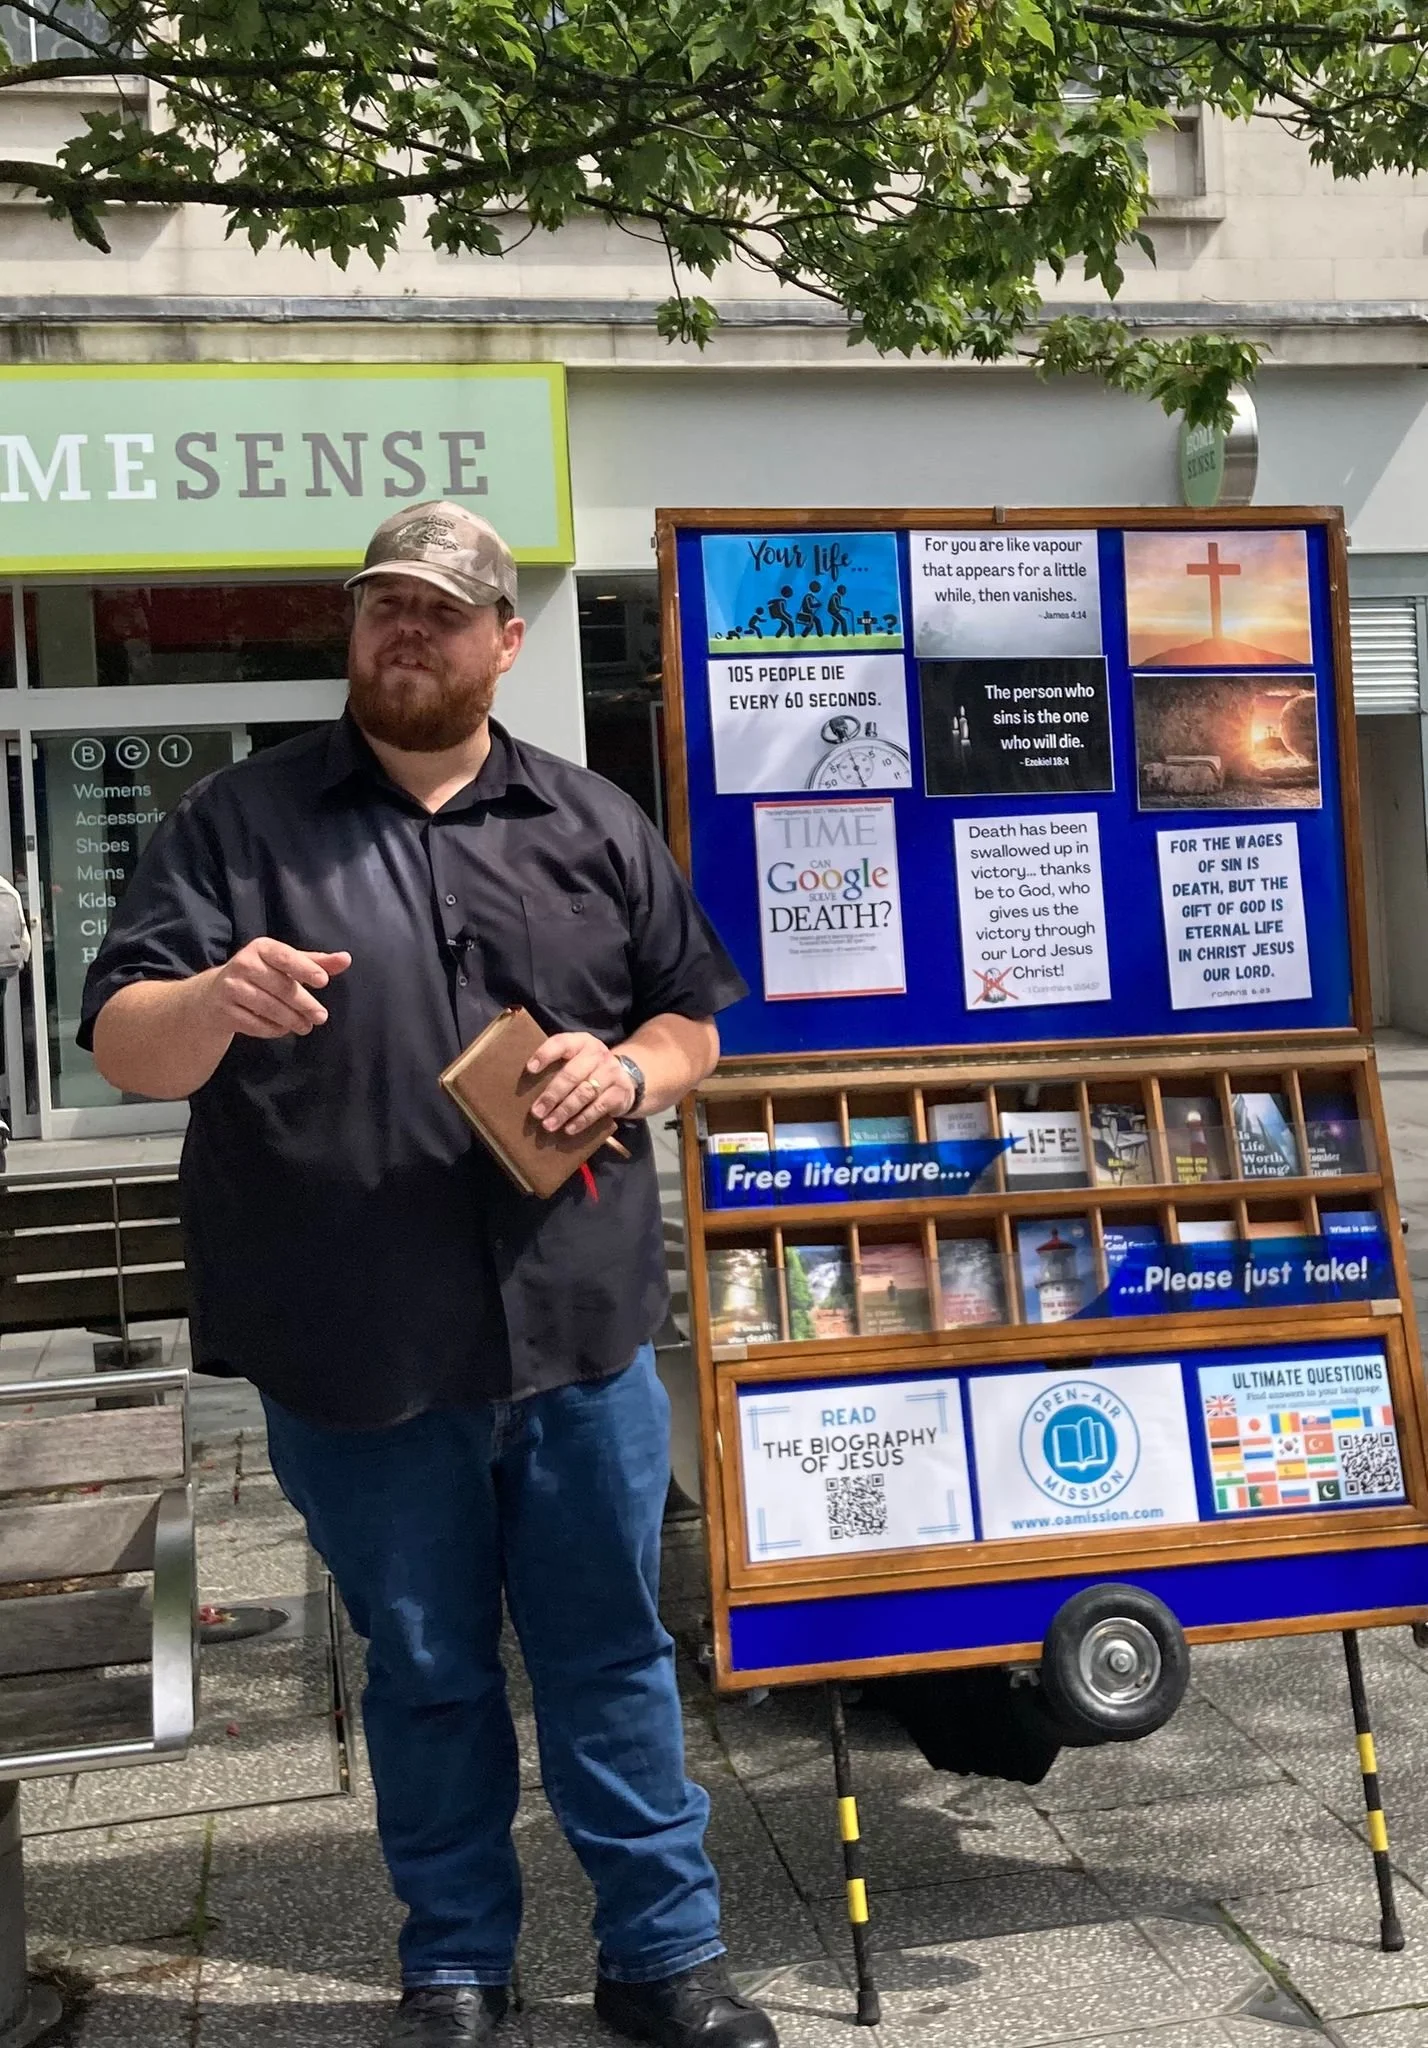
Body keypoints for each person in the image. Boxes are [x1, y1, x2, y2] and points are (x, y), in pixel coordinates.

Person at [79, 502, 775, 2048]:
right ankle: (455, 1961)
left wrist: (632, 1072)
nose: (409, 629)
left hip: (579, 1333)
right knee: (428, 1665)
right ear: (352, 629)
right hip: (358, 1344)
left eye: (444, 610)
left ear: (504, 644)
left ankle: (664, 1959)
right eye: (384, 604)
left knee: (612, 1655)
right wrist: (215, 998)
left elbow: (694, 1023)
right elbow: (126, 1044)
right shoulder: (237, 826)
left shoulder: (594, 821)